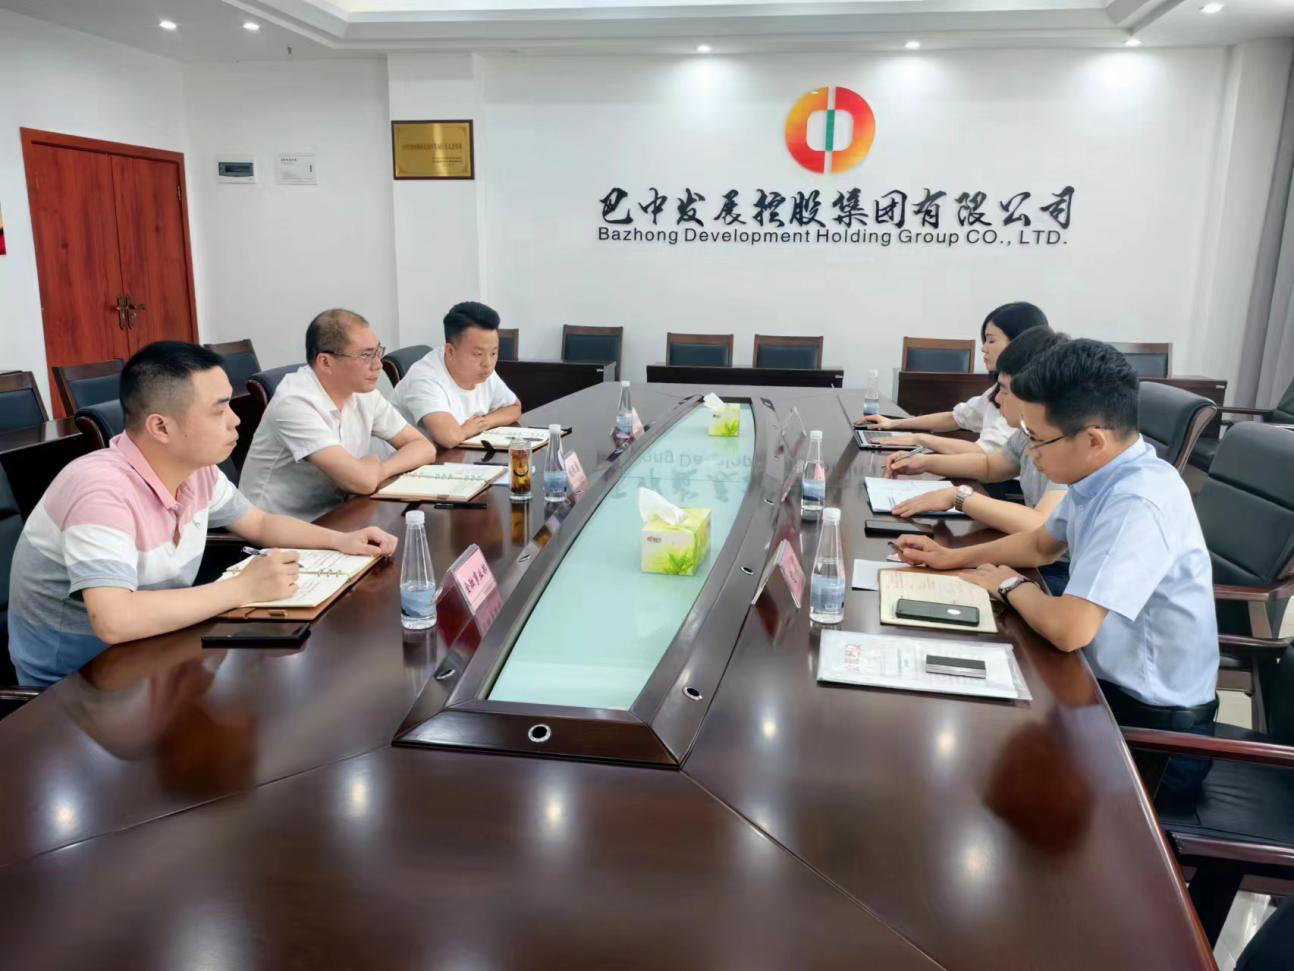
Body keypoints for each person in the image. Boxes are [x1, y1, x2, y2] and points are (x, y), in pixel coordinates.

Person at [893, 339, 1218, 799]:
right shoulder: (1101, 473)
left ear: (1093, 440)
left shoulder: (1138, 502)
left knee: (964, 770)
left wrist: (1008, 584)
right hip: (1098, 690)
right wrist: (953, 557)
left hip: (1154, 736)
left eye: (1038, 439)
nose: (1030, 452)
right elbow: (1042, 545)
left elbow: (1069, 629)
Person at [7, 342, 398, 688]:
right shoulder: (100, 490)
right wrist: (242, 588)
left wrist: (341, 541)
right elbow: (114, 619)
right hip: (74, 688)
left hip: (154, 653)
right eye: (218, 410)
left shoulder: (197, 470)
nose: (235, 419)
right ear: (161, 427)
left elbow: (259, 523)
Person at [885, 327, 1072, 593]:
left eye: (1004, 390)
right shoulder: (1026, 434)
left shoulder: (1069, 446)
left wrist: (959, 497)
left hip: (1059, 574)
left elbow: (1041, 528)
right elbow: (988, 466)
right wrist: (925, 463)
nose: (996, 399)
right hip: (1034, 556)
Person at [239, 309, 437, 521]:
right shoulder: (294, 403)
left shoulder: (364, 393)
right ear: (325, 362)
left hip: (340, 512)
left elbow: (423, 447)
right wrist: (367, 470)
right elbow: (361, 482)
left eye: (377, 352)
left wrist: (378, 468)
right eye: (365, 355)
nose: (378, 364)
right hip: (281, 528)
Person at [857, 301, 1048, 455]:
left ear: (1020, 342)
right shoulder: (998, 391)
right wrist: (894, 424)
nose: (983, 348)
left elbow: (982, 454)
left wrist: (919, 439)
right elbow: (955, 418)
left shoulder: (1027, 398)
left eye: (991, 340)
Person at [391, 301, 522, 449]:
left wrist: (483, 422)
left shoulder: (482, 371)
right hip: (405, 460)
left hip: (454, 454)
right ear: (450, 351)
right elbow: (449, 437)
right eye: (478, 354)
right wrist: (467, 429)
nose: (487, 363)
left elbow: (514, 407)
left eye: (493, 353)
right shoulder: (424, 377)